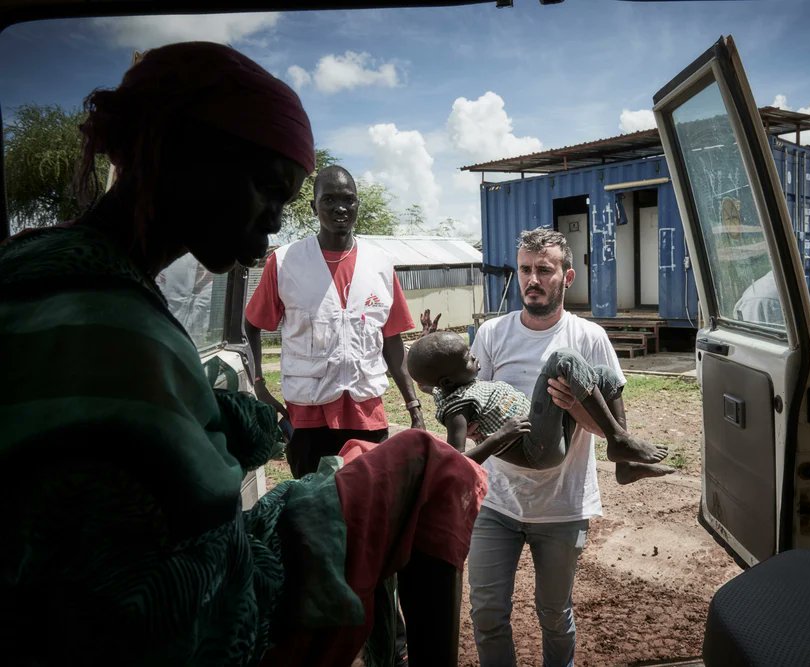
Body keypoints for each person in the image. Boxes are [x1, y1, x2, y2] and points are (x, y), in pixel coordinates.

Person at [0, 41, 485, 667]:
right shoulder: (114, 323)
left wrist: (217, 416)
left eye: (289, 199)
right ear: (182, 154)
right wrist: (261, 396)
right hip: (306, 422)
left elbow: (391, 344)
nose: (275, 219)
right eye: (267, 188)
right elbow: (181, 593)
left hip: (364, 410)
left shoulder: (54, 278)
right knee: (425, 470)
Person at [465, 227, 672, 666]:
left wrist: (575, 406)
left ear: (567, 277)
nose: (532, 280)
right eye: (525, 269)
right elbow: (471, 414)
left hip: (562, 505)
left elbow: (604, 427)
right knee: (486, 614)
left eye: (544, 270)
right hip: (496, 502)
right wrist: (476, 428)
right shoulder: (493, 334)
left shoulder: (589, 337)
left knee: (555, 615)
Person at [245, 165, 425, 481]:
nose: (340, 208)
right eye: (329, 199)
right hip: (307, 415)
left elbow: (392, 339)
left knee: (368, 500)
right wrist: (259, 385)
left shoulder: (380, 264)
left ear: (357, 204)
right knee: (312, 502)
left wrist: (413, 405)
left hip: (366, 412)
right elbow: (251, 325)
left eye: (348, 199)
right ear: (313, 206)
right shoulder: (285, 262)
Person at [408, 332, 669, 468]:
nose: (474, 356)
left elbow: (426, 384)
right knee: (563, 359)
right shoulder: (457, 409)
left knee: (604, 375)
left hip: (545, 432)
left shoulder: (450, 388)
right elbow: (455, 462)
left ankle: (624, 463)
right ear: (447, 381)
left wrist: (428, 341)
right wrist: (499, 437)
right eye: (467, 358)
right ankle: (619, 440)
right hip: (535, 450)